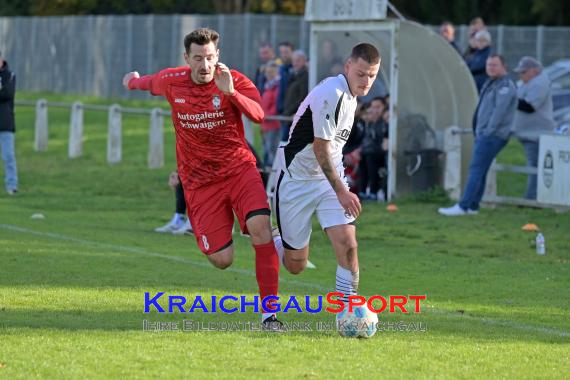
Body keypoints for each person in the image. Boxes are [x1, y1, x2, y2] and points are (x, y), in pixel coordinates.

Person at [123, 28, 282, 328]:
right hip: (199, 183)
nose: (205, 65)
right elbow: (146, 83)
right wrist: (131, 81)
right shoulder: (172, 81)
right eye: (198, 58)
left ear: (217, 55)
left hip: (239, 169)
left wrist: (231, 93)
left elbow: (260, 116)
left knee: (261, 228)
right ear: (187, 58)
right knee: (223, 260)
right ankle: (227, 227)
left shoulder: (233, 79)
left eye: (210, 58)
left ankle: (269, 316)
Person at [272, 43, 381, 307]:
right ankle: (275, 237)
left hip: (327, 179)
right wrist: (343, 192)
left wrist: (339, 189)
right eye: (361, 73)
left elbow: (332, 150)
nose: (366, 81)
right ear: (347, 66)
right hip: (296, 180)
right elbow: (320, 147)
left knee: (348, 243)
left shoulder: (352, 95)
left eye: (372, 75)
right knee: (295, 265)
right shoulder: (332, 93)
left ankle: (348, 310)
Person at [439, 54, 516, 216]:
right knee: (481, 170)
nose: (491, 68)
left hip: (491, 136)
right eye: (489, 65)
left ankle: (463, 206)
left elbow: (499, 112)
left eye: (495, 65)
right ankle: (473, 206)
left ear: (504, 67)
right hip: (485, 134)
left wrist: (487, 132)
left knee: (475, 170)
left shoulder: (505, 86)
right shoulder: (491, 83)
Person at [512, 56, 556, 200]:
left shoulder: (539, 84)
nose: (521, 75)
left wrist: (509, 99)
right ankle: (533, 196)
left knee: (534, 166)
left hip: (536, 133)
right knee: (534, 165)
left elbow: (529, 107)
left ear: (535, 71)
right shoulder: (529, 82)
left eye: (524, 72)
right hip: (528, 133)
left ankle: (531, 198)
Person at [359, 97, 387, 201]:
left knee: (370, 157)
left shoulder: (385, 121)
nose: (374, 110)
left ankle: (373, 192)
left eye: (378, 107)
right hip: (371, 153)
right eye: (373, 107)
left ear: (384, 107)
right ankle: (362, 191)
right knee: (363, 157)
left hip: (381, 154)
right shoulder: (370, 123)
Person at [0, 50, 17, 195]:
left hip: (5, 123)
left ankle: (11, 185)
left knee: (8, 156)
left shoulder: (10, 76)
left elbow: (7, 94)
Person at [259, 60, 281, 169]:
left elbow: (276, 105)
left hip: (272, 123)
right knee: (267, 151)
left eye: (271, 72)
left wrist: (267, 115)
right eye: (267, 72)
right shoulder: (267, 86)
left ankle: (274, 179)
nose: (269, 75)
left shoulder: (277, 86)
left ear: (277, 73)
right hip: (265, 124)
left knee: (273, 151)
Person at [282, 50, 309, 132]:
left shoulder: (305, 77)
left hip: (296, 117)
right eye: (293, 61)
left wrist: (293, 112)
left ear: (304, 61)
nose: (295, 64)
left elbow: (303, 97)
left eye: (298, 61)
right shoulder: (294, 76)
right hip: (289, 116)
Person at [276, 41, 294, 142]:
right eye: (281, 52)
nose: (284, 55)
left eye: (286, 52)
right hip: (282, 111)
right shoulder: (281, 69)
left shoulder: (295, 69)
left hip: (291, 112)